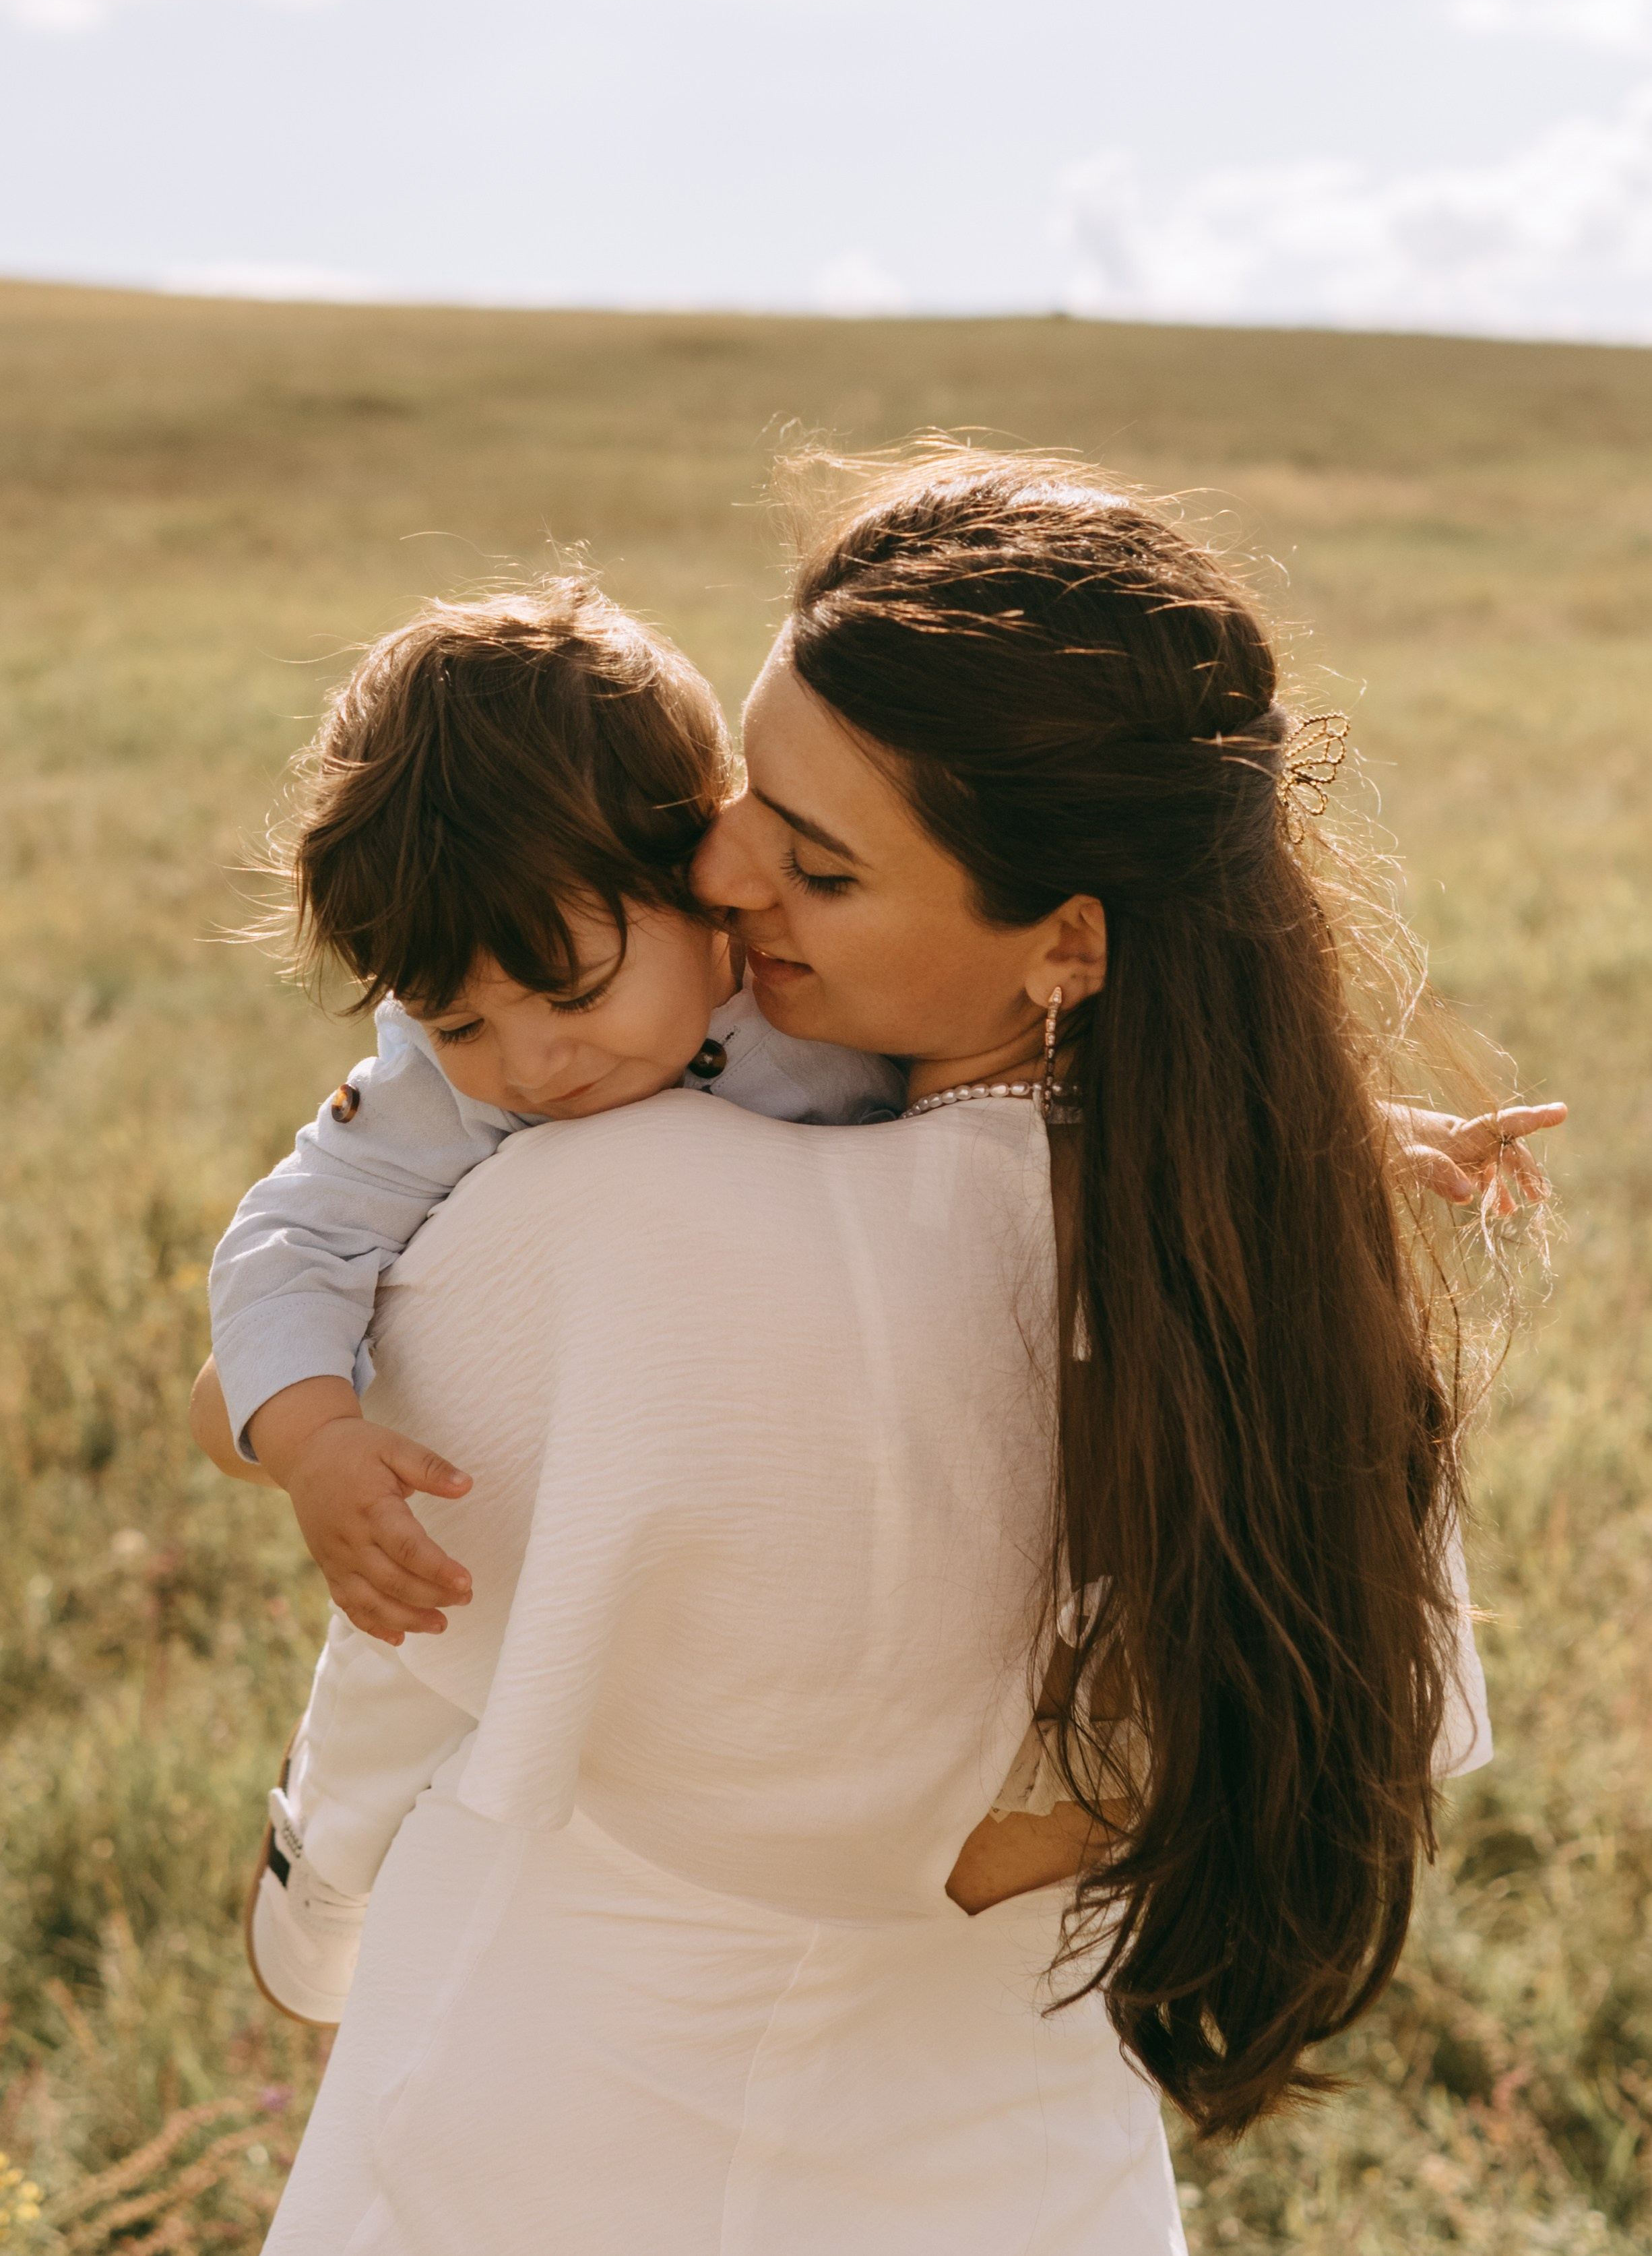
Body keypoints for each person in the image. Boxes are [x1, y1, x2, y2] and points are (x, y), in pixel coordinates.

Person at [247, 446, 1555, 2251]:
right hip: (1014, 2170)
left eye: (819, 861)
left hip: (558, 2132)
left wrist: (314, 1919)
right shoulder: (1286, 1267)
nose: (715, 864)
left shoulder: (603, 1220)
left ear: (1065, 941)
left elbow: (403, 1624)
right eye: (742, 797)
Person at [193, 581, 901, 2022]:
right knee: (405, 1659)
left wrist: (1346, 1132)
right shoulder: (424, 1099)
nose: (527, 1064)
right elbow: (290, 1242)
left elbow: (1066, 1098)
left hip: (726, 1479)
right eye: (458, 1023)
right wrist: (317, 1434)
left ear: (701, 868)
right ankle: (322, 1857)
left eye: (569, 993)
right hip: (483, 1486)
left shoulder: (819, 1004)